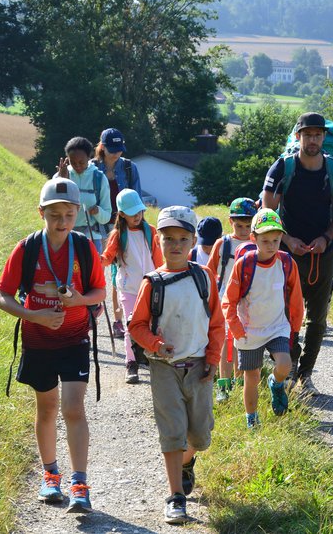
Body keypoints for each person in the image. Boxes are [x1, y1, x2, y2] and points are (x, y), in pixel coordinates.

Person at [0, 177, 106, 510]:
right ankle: (50, 477)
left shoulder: (84, 248)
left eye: (69, 215)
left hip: (74, 340)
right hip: (38, 341)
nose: (62, 222)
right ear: (41, 212)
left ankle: (80, 484)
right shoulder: (27, 248)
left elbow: (100, 292)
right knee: (47, 409)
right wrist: (35, 316)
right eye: (54, 214)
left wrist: (77, 302)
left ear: (77, 214)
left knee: (73, 408)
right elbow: (2, 297)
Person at [128, 206, 225, 525]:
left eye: (183, 238)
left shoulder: (204, 276)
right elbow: (137, 326)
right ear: (159, 240)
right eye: (169, 238)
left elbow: (216, 323)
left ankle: (187, 463)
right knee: (172, 433)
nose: (176, 245)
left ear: (194, 240)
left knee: (199, 435)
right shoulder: (152, 283)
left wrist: (212, 359)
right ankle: (176, 497)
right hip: (164, 367)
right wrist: (156, 344)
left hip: (199, 367)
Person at [262, 112, 333, 396]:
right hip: (288, 254)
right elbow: (267, 213)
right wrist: (287, 240)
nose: (313, 140)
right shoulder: (282, 168)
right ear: (298, 136)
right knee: (287, 313)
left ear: (324, 137)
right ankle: (287, 368)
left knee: (317, 318)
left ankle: (306, 374)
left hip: (322, 252)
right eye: (307, 134)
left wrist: (327, 238)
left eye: (318, 134)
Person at [222, 209, 304, 428]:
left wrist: (294, 327)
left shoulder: (286, 263)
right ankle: (252, 419)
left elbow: (296, 298)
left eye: (276, 240)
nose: (271, 245)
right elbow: (228, 301)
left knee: (285, 365)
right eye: (265, 240)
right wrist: (237, 330)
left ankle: (276, 384)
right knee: (251, 377)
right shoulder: (245, 265)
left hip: (277, 327)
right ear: (254, 238)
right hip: (249, 331)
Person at [100, 189, 162, 384]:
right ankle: (131, 363)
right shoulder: (118, 235)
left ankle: (151, 358)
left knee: (154, 324)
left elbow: (158, 257)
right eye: (132, 212)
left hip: (151, 286)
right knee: (130, 326)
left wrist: (163, 276)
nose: (137, 215)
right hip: (128, 288)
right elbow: (107, 258)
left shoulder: (150, 231)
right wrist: (93, 260)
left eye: (139, 211)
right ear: (121, 214)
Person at [207, 197, 259, 402]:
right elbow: (210, 272)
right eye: (239, 225)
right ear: (230, 222)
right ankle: (223, 385)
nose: (244, 230)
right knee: (225, 344)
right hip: (226, 301)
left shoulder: (258, 243)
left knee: (244, 343)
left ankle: (240, 384)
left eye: (248, 225)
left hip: (250, 302)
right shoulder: (223, 244)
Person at [94, 128, 142, 337]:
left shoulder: (131, 168)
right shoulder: (92, 169)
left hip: (123, 227)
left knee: (119, 272)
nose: (116, 154)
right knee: (100, 270)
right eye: (112, 149)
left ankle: (119, 320)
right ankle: (94, 307)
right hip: (98, 226)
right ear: (102, 147)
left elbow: (137, 200)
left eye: (119, 149)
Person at [55, 137, 111, 253]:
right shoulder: (60, 176)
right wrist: (61, 180)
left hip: (92, 240)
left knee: (92, 272)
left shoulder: (99, 179)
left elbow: (106, 216)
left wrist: (98, 211)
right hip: (64, 237)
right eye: (73, 162)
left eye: (81, 162)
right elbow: (53, 208)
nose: (77, 166)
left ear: (89, 158)